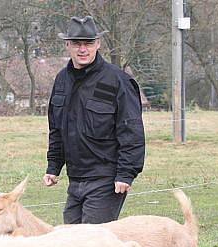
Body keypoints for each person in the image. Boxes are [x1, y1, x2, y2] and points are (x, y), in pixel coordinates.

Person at [44, 15, 145, 225]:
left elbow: (132, 131)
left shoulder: (117, 81)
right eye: (77, 44)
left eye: (88, 43)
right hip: (75, 180)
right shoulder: (62, 80)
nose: (83, 49)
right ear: (68, 45)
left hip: (106, 179)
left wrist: (126, 174)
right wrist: (53, 166)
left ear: (97, 44)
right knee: (69, 240)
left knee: (92, 245)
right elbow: (56, 128)